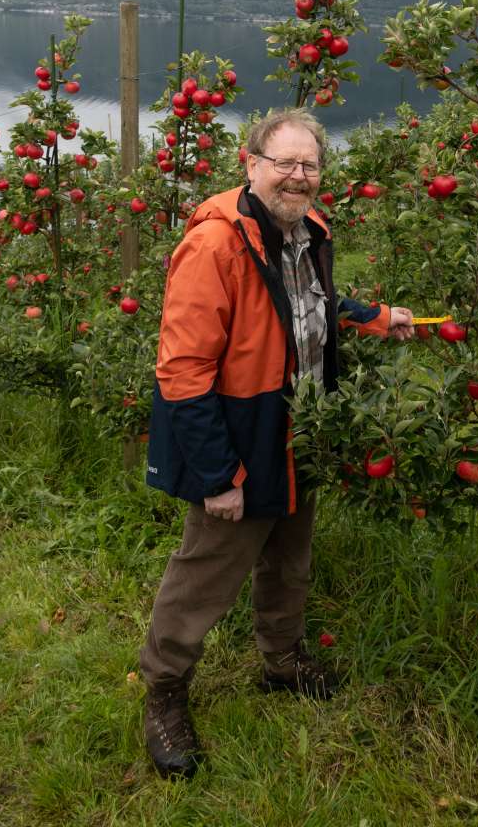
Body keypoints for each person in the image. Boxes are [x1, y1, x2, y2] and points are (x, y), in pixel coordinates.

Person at [139, 108, 414, 779]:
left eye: (309, 165)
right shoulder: (216, 246)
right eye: (285, 163)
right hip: (241, 432)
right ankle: (164, 691)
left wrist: (376, 317)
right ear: (251, 163)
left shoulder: (307, 229)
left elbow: (311, 302)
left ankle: (282, 661)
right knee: (208, 567)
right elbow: (182, 369)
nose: (298, 176)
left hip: (301, 427)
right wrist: (216, 473)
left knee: (290, 554)